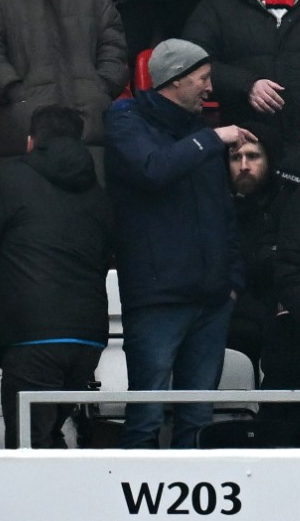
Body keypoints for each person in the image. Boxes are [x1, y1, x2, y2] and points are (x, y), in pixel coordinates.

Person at [106, 37, 234, 448]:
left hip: (211, 300)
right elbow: (152, 170)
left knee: (198, 420)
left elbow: (224, 215)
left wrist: (232, 282)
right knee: (145, 416)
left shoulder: (201, 134)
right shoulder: (127, 120)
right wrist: (210, 141)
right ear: (174, 81)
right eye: (202, 79)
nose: (209, 88)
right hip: (157, 297)